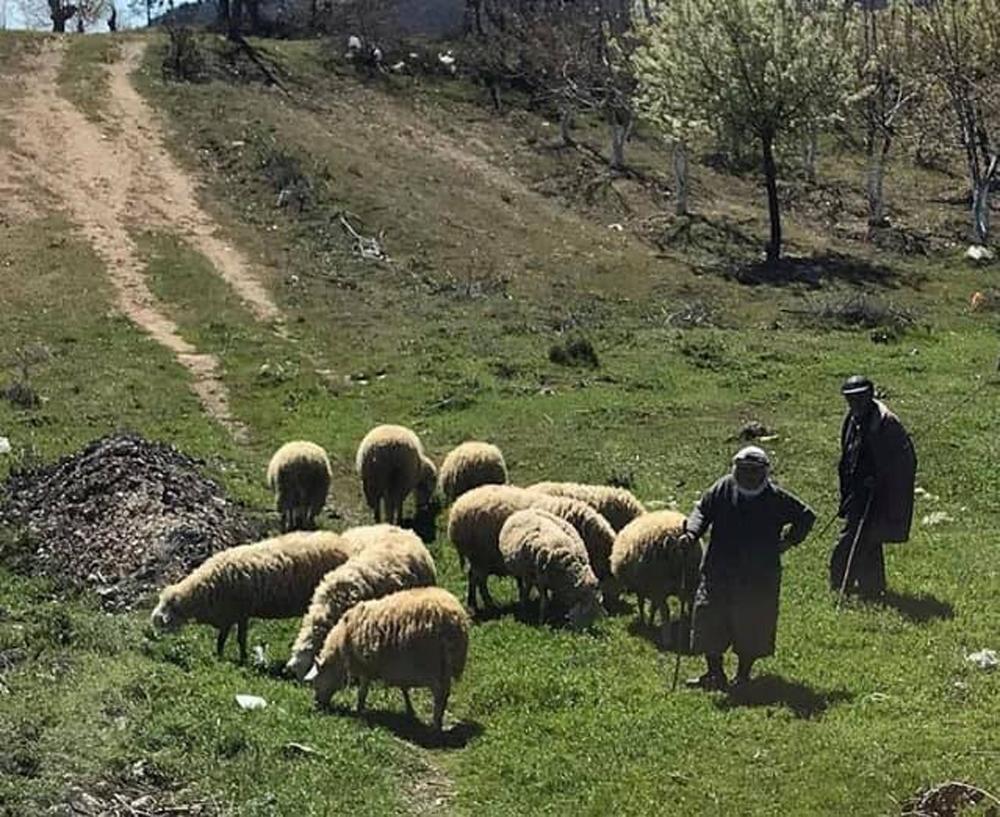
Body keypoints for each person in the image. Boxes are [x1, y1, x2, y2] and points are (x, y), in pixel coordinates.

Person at [681, 447, 815, 691]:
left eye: (756, 472)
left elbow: (806, 516)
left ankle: (743, 676)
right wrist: (691, 533)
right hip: (718, 570)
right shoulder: (723, 488)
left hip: (758, 576)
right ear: (736, 469)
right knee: (710, 618)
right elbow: (702, 510)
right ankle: (714, 674)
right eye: (745, 471)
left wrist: (789, 541)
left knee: (752, 624)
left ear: (764, 472)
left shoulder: (775, 498)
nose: (750, 477)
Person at [830, 375, 917, 599]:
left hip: (879, 495)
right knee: (867, 539)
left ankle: (840, 586)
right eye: (850, 398)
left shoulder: (887, 423)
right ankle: (872, 589)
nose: (854, 403)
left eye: (859, 398)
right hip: (857, 490)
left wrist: (881, 479)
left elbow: (905, 461)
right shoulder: (852, 419)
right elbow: (847, 455)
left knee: (853, 539)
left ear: (869, 396)